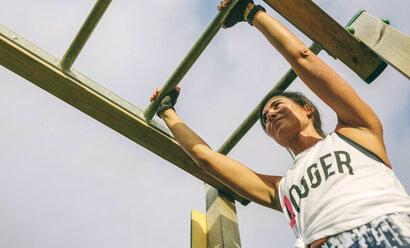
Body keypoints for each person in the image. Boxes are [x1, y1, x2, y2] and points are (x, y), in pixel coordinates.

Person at [150, 1, 410, 247]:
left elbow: (303, 58)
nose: (270, 116)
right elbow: (205, 159)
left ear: (308, 109)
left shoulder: (357, 131)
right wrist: (167, 111)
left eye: (277, 106)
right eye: (265, 118)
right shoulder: (279, 188)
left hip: (385, 227)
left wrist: (250, 12)